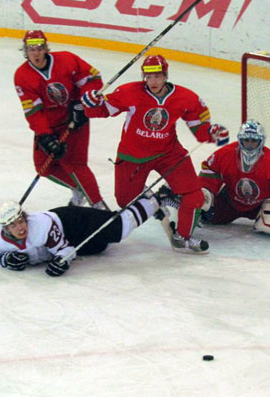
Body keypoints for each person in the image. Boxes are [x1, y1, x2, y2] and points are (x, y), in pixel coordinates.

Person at [80, 54, 229, 254]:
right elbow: (99, 111)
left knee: (194, 195)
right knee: (125, 201)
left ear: (165, 76)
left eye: (157, 76)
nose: (153, 82)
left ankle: (182, 238)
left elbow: (200, 129)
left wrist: (212, 133)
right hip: (133, 155)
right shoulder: (129, 92)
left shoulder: (186, 98)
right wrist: (90, 103)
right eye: (148, 77)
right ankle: (159, 198)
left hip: (169, 153)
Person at [13, 30, 107, 209]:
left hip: (75, 120)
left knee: (74, 164)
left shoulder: (67, 59)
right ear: (25, 50)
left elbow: (92, 79)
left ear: (45, 48)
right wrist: (45, 135)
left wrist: (82, 103)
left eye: (39, 48)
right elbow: (33, 110)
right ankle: (79, 189)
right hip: (50, 125)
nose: (36, 53)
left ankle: (98, 206)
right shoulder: (22, 75)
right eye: (31, 49)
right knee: (44, 167)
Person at [0, 193, 161, 276]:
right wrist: (4, 260)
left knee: (119, 227)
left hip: (71, 222)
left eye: (21, 221)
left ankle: (159, 198)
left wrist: (62, 261)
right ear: (5, 229)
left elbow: (65, 249)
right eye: (13, 225)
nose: (20, 228)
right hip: (70, 239)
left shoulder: (41, 226)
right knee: (103, 246)